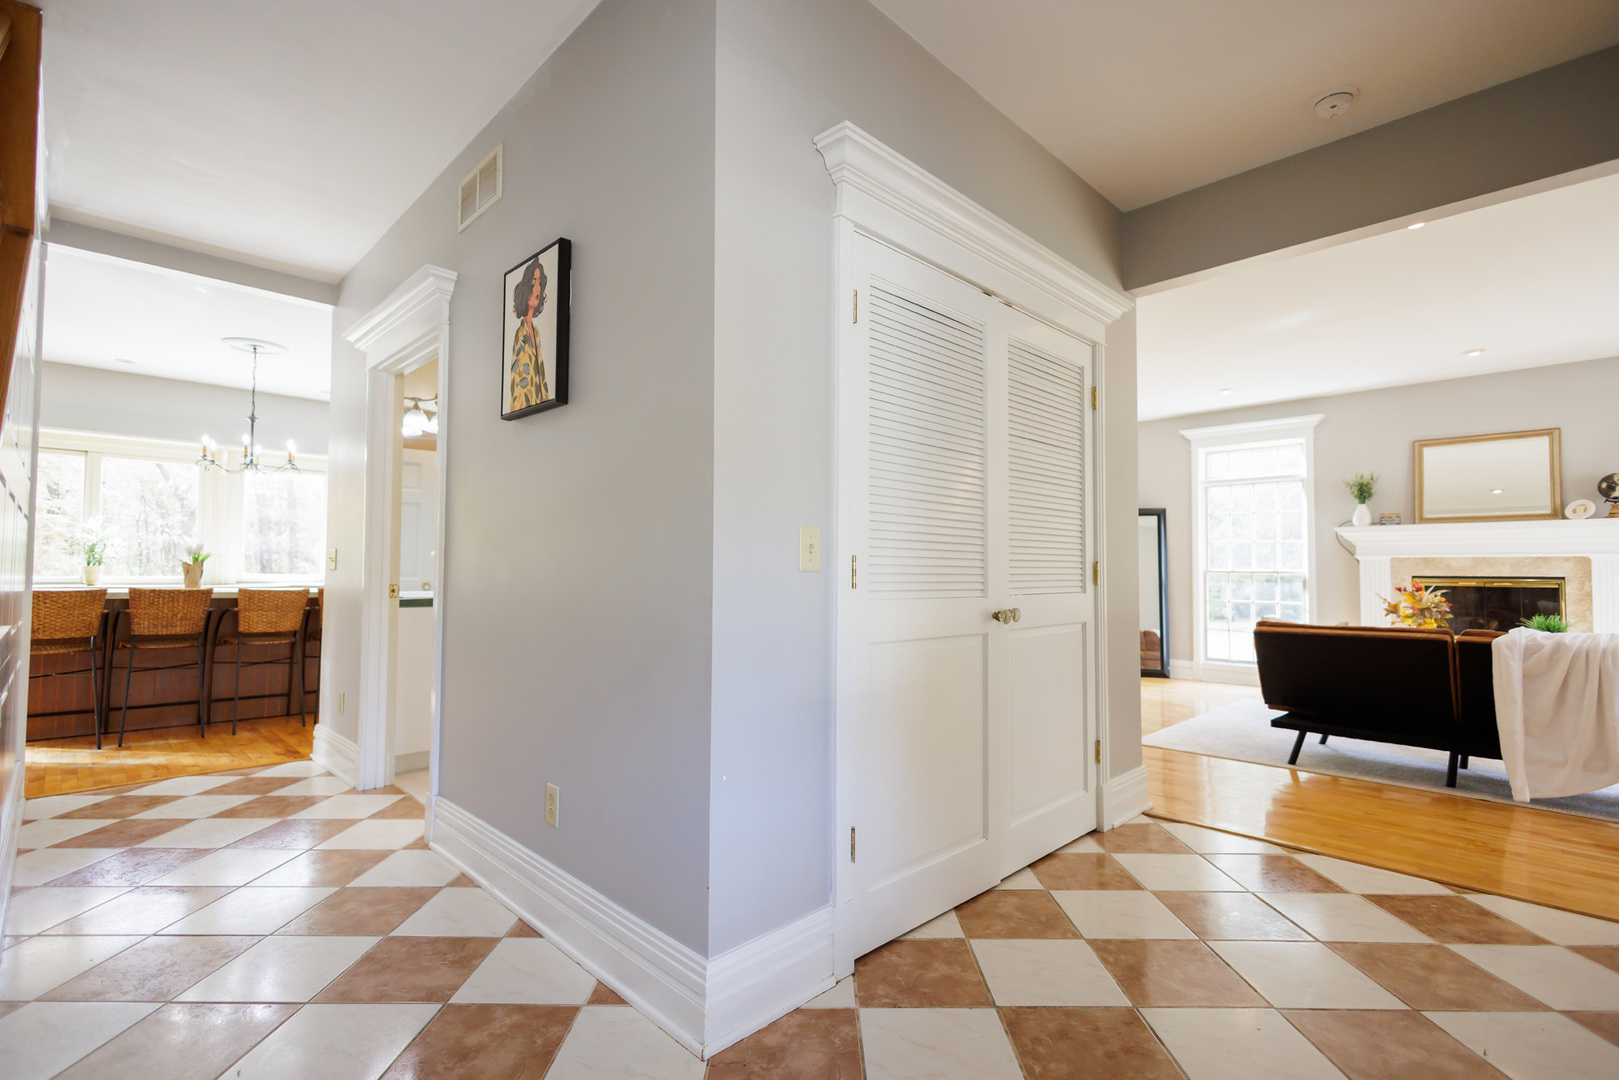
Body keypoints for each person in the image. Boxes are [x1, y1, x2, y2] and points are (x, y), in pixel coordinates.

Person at [509, 256, 550, 410]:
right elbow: (518, 384)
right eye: (533, 283)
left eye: (540, 283)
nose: (537, 289)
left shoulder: (536, 332)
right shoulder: (521, 334)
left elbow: (542, 380)